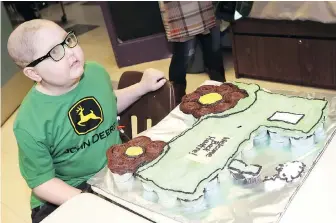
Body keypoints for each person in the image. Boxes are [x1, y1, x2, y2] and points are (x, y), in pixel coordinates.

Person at [7, 19, 166, 223]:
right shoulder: (30, 122)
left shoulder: (95, 72)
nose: (71, 52)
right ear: (33, 73)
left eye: (68, 41)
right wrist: (90, 201)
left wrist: (142, 87)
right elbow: (43, 183)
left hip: (114, 171)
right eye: (55, 52)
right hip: (66, 191)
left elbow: (108, 105)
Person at [159, 1, 226, 105]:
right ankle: (176, 103)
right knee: (183, 55)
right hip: (178, 8)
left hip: (204, 6)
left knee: (213, 51)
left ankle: (223, 94)